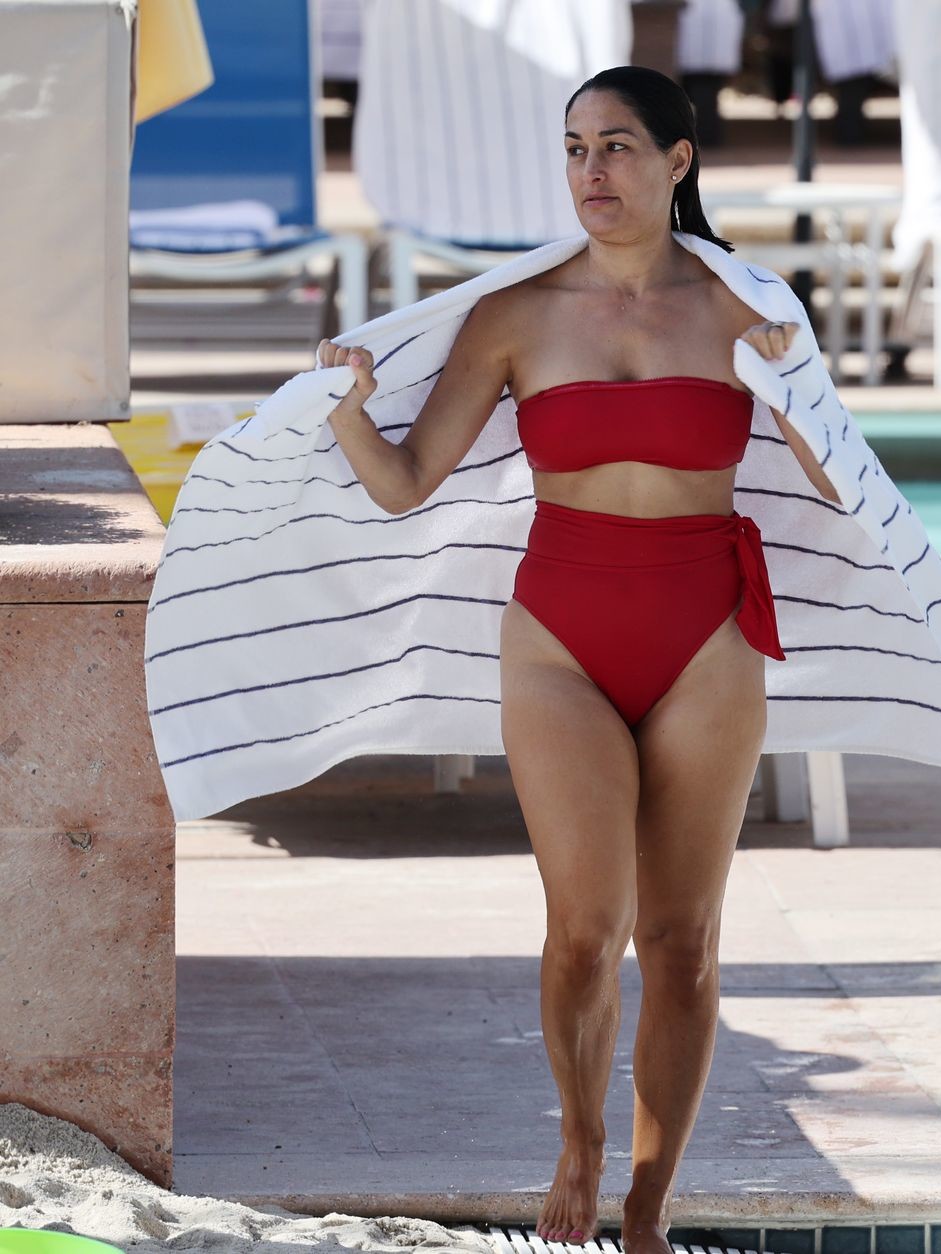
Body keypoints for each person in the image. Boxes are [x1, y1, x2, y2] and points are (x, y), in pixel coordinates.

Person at [317, 65, 840, 1254]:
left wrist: (794, 381)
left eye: (615, 146)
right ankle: (580, 1138)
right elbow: (405, 482)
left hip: (704, 634)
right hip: (559, 635)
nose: (589, 172)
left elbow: (833, 481)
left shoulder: (742, 309)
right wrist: (344, 410)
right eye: (572, 148)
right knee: (584, 928)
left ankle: (647, 1208)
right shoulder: (513, 315)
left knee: (682, 941)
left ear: (676, 160)